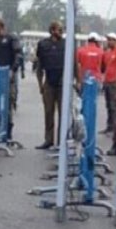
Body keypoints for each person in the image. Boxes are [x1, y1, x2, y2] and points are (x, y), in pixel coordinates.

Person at [35, 21, 66, 150]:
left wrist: (77, 81)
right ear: (52, 30)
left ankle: (61, 141)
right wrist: (40, 84)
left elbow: (74, 64)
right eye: (58, 29)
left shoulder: (66, 44)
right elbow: (39, 66)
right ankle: (48, 140)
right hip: (49, 82)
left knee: (63, 113)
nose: (60, 31)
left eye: (61, 29)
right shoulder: (43, 45)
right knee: (48, 112)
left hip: (62, 82)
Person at [0, 17, 21, 137]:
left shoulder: (10, 39)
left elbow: (18, 54)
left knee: (8, 104)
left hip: (8, 75)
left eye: (1, 25)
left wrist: (13, 70)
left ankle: (8, 132)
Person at [103, 32, 116, 155]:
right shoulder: (107, 53)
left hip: (115, 82)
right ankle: (109, 125)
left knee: (114, 106)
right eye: (108, 39)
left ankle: (112, 126)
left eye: (111, 40)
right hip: (107, 81)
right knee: (108, 105)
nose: (109, 41)